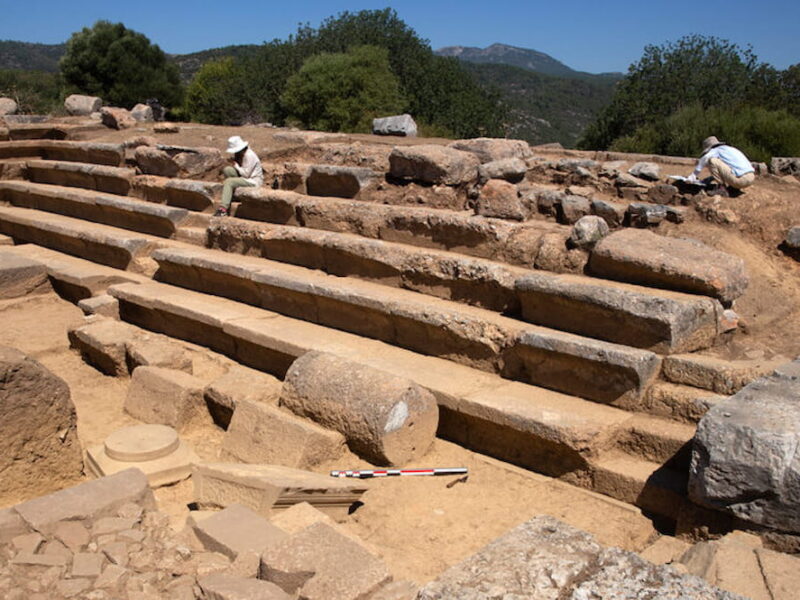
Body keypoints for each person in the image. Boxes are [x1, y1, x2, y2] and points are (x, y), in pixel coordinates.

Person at [686, 136, 755, 197]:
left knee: (712, 160)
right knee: (726, 165)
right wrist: (710, 178)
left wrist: (693, 175)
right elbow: (727, 169)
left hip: (741, 180)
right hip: (751, 177)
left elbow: (704, 158)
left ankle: (721, 188)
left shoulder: (716, 150)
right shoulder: (729, 149)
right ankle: (734, 188)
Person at [215, 135, 264, 216]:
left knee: (229, 182)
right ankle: (231, 194)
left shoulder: (249, 155)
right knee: (227, 170)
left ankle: (223, 209)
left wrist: (236, 166)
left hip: (253, 181)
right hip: (246, 177)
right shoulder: (242, 154)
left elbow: (246, 174)